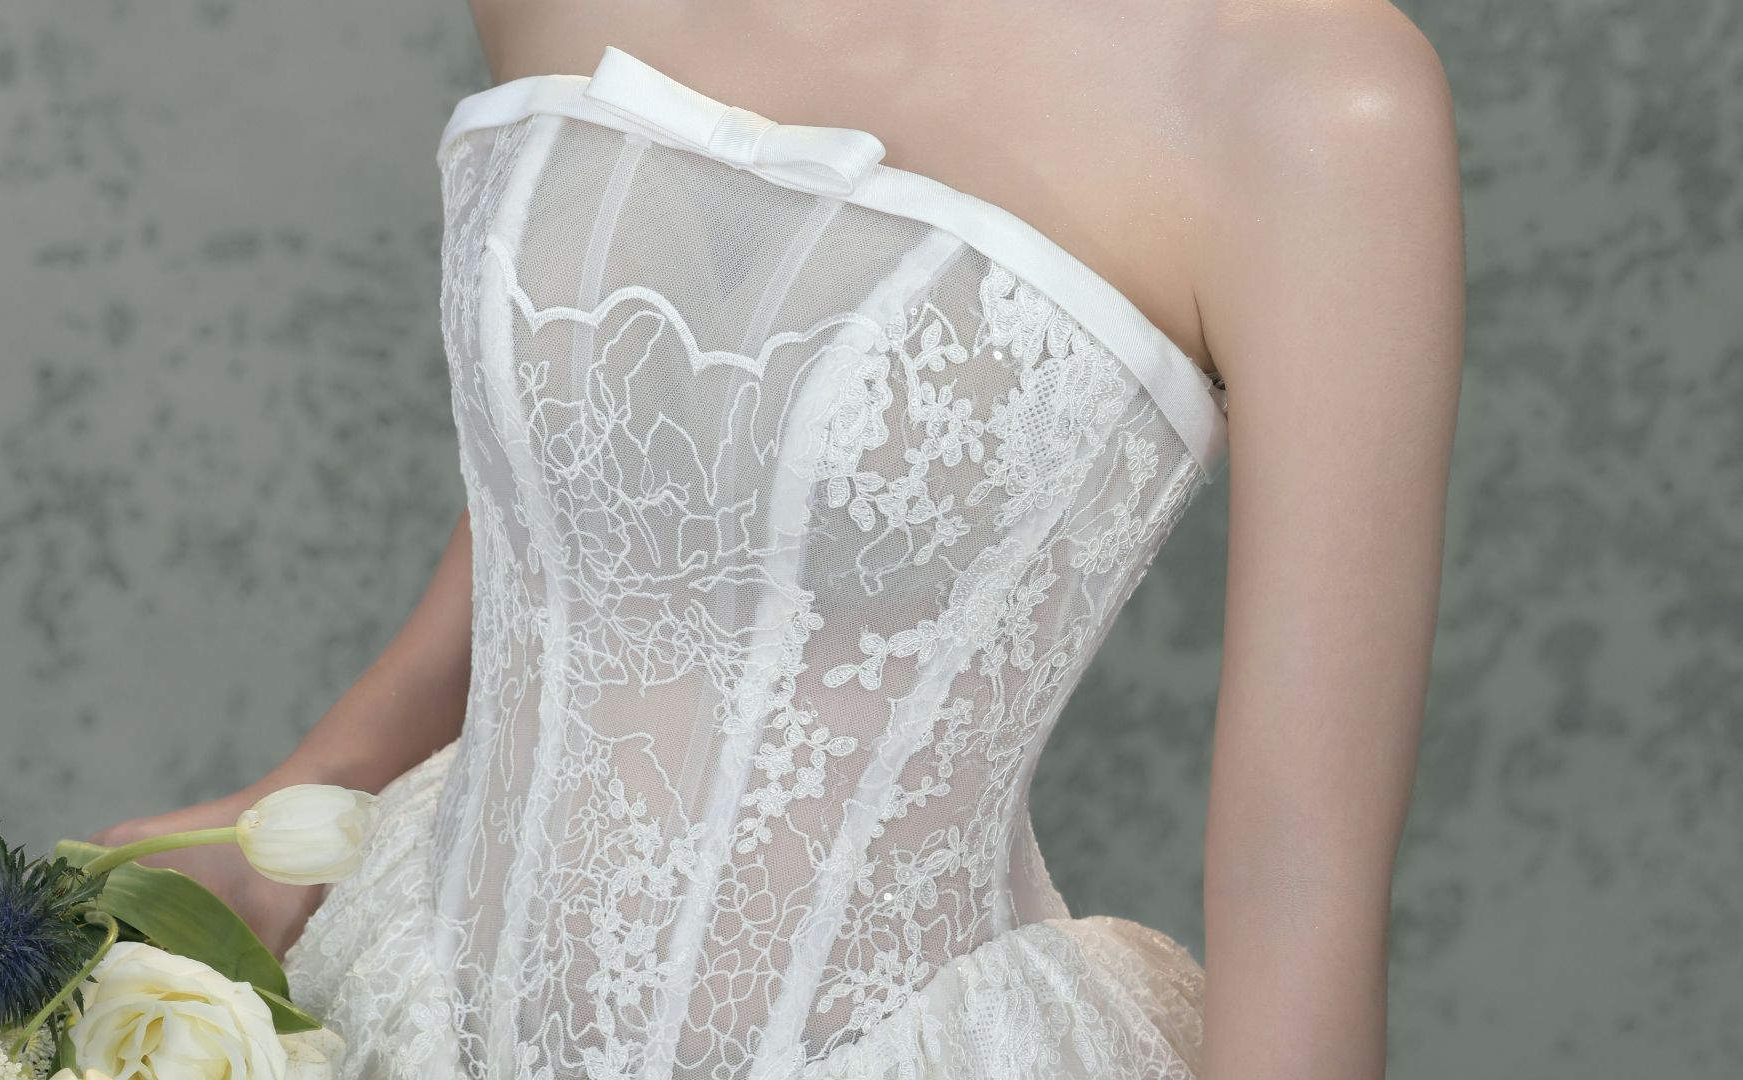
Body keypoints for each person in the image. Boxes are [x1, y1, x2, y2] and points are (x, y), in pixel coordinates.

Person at [93, 3, 1465, 1077]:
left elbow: (1301, 864)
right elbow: (637, 456)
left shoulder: (1310, 102)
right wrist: (287, 811)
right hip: (407, 1012)